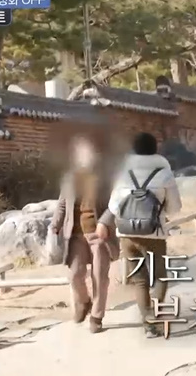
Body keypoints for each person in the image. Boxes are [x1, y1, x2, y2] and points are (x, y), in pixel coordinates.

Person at [108, 132, 182, 338]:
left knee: (140, 280)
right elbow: (175, 208)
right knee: (160, 277)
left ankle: (147, 323)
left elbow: (113, 206)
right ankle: (153, 320)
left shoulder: (122, 173)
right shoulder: (164, 174)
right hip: (154, 233)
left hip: (127, 235)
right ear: (155, 150)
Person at [50, 135, 118, 334]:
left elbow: (116, 203)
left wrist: (105, 222)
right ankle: (84, 301)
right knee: (74, 275)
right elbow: (62, 204)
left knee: (99, 276)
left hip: (99, 234)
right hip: (76, 235)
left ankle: (97, 317)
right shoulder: (69, 178)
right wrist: (55, 224)